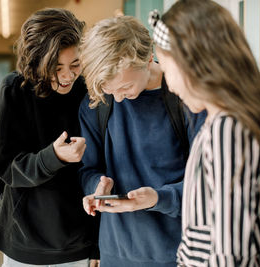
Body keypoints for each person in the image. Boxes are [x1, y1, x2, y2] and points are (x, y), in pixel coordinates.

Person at [149, 0, 260, 266]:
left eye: (168, 70)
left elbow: (229, 249)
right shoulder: (225, 124)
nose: (169, 85)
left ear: (191, 64)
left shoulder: (227, 132)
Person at [79, 16, 205, 267]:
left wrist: (158, 198)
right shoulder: (98, 102)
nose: (118, 98)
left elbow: (206, 185)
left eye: (124, 86)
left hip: (178, 253)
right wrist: (97, 187)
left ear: (148, 58)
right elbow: (88, 169)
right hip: (116, 253)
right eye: (109, 90)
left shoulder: (187, 99)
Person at [0, 8, 98, 267]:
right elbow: (8, 168)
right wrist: (54, 156)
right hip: (23, 241)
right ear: (36, 62)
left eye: (75, 65)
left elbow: (101, 171)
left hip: (77, 242)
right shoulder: (15, 89)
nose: (68, 76)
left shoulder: (89, 90)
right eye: (56, 68)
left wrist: (98, 245)